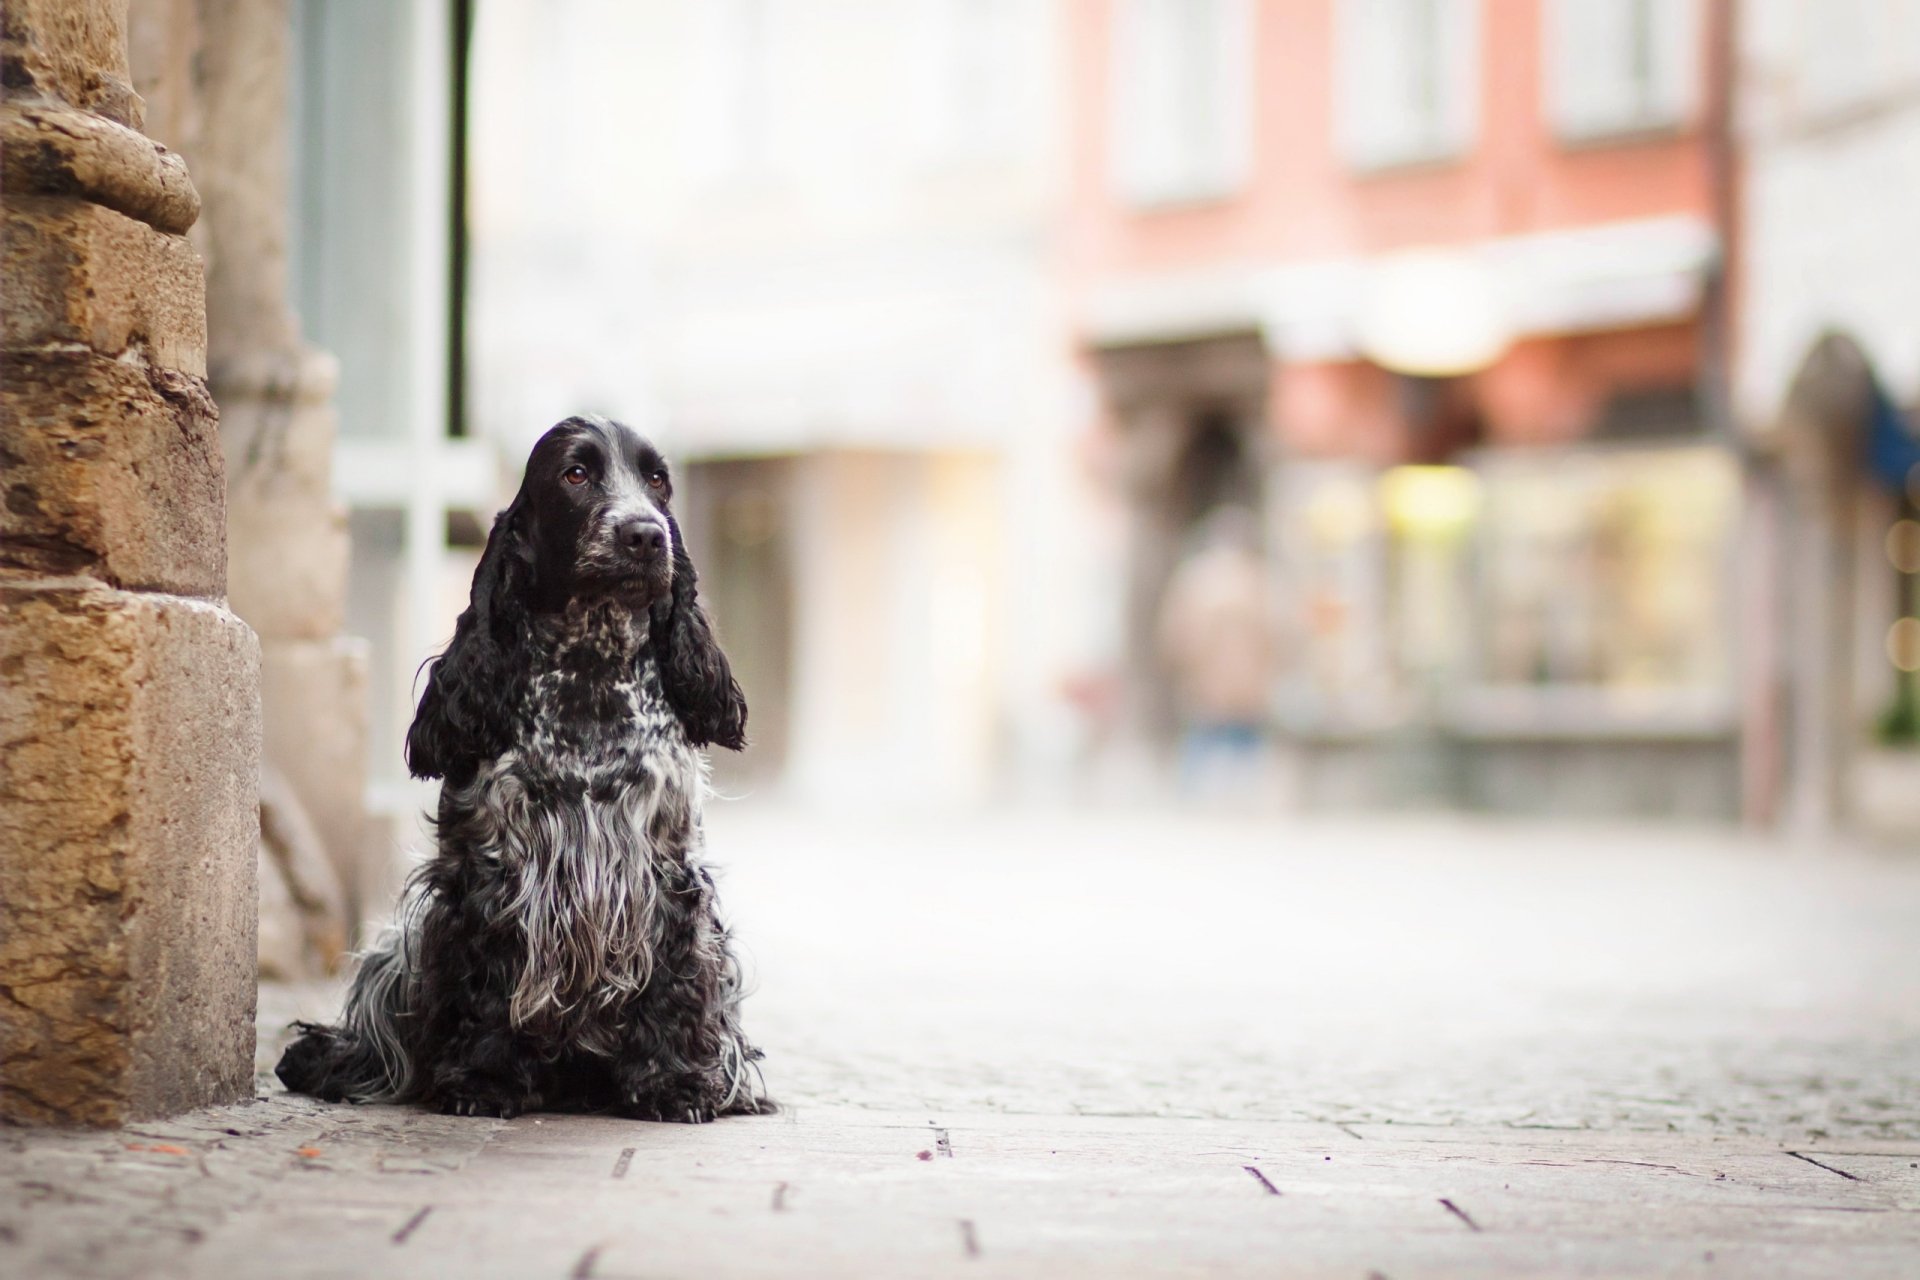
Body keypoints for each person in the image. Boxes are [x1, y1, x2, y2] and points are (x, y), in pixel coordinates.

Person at [1156, 506, 1279, 797]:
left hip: (1210, 678)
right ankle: (1241, 793)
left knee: (1209, 734)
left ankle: (1193, 793)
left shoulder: (1197, 578)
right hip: (1244, 680)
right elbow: (1278, 631)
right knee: (1238, 738)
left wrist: (1180, 664)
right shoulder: (1257, 579)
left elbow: (1177, 631)